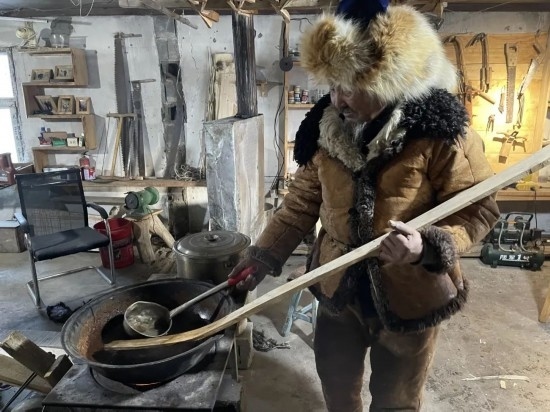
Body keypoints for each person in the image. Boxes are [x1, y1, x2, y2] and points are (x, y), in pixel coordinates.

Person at [229, 1, 500, 411]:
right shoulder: (324, 131)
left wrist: (427, 247)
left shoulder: (440, 132)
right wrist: (262, 255)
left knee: (396, 400)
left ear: (387, 79)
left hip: (410, 294)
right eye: (332, 85)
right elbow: (301, 202)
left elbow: (478, 208)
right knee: (337, 389)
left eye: (349, 86)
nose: (338, 100)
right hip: (338, 290)